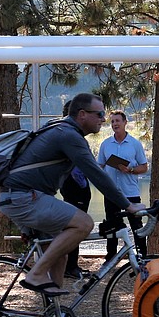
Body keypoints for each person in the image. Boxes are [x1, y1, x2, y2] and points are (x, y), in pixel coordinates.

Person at [0, 93, 145, 301]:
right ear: (82, 114)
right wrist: (128, 205)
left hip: (21, 197)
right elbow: (97, 173)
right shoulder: (69, 136)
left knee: (60, 254)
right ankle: (36, 274)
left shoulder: (59, 128)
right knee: (84, 223)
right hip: (24, 198)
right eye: (100, 114)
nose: (104, 120)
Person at [97, 110, 148, 260]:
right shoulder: (105, 144)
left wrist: (131, 170)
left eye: (118, 121)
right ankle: (111, 256)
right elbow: (99, 166)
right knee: (112, 225)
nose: (115, 124)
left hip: (130, 191)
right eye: (112, 122)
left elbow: (144, 167)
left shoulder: (135, 144)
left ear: (125, 123)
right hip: (112, 192)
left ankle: (141, 256)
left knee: (136, 225)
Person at [58, 102, 92, 281]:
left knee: (75, 227)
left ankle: (72, 265)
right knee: (75, 227)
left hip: (79, 186)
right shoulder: (68, 135)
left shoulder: (72, 135)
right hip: (73, 186)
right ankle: (70, 266)